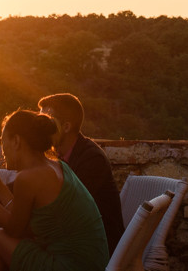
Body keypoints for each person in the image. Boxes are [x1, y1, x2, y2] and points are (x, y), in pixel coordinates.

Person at [0, 109, 108, 271]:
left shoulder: (28, 177)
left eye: (3, 142)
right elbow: (21, 220)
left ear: (16, 141)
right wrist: (0, 188)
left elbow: (14, 230)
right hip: (94, 261)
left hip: (72, 265)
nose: (2, 150)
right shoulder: (57, 165)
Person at [36, 93, 123, 254]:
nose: (41, 129)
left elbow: (68, 210)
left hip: (97, 248)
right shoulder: (55, 155)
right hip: (69, 239)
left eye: (47, 123)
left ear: (66, 127)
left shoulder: (92, 159)